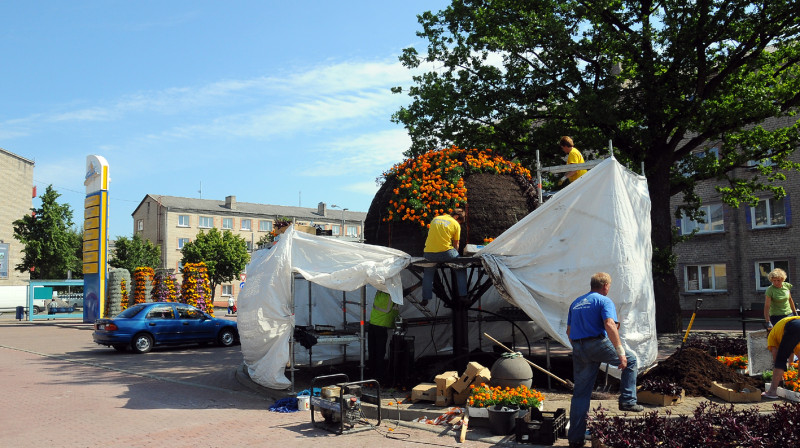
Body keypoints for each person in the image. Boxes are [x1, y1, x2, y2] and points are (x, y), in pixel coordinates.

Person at [566, 272, 642, 448]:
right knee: (630, 360)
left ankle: (575, 439)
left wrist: (580, 347)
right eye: (609, 286)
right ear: (605, 285)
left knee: (580, 394)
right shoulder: (604, 300)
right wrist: (620, 352)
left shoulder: (576, 303)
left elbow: (569, 332)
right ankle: (628, 401)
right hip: (596, 343)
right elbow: (609, 324)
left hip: (578, 347)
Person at [421, 208, 468, 307]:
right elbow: (456, 244)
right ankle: (463, 295)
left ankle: (425, 297)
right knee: (460, 268)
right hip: (445, 253)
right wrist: (456, 256)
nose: (459, 223)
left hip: (428, 253)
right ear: (456, 217)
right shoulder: (455, 224)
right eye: (459, 221)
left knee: (428, 273)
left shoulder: (435, 219)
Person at [763, 315, 800, 399]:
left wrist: (780, 379)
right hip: (795, 322)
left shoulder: (771, 336)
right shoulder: (779, 331)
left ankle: (772, 391)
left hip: (793, 326)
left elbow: (776, 358)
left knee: (780, 360)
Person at [367, 290, 399, 383]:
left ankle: (371, 374)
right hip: (381, 326)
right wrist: (417, 285)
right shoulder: (391, 294)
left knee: (372, 351)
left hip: (373, 323)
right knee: (380, 352)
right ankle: (378, 376)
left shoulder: (379, 292)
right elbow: (403, 293)